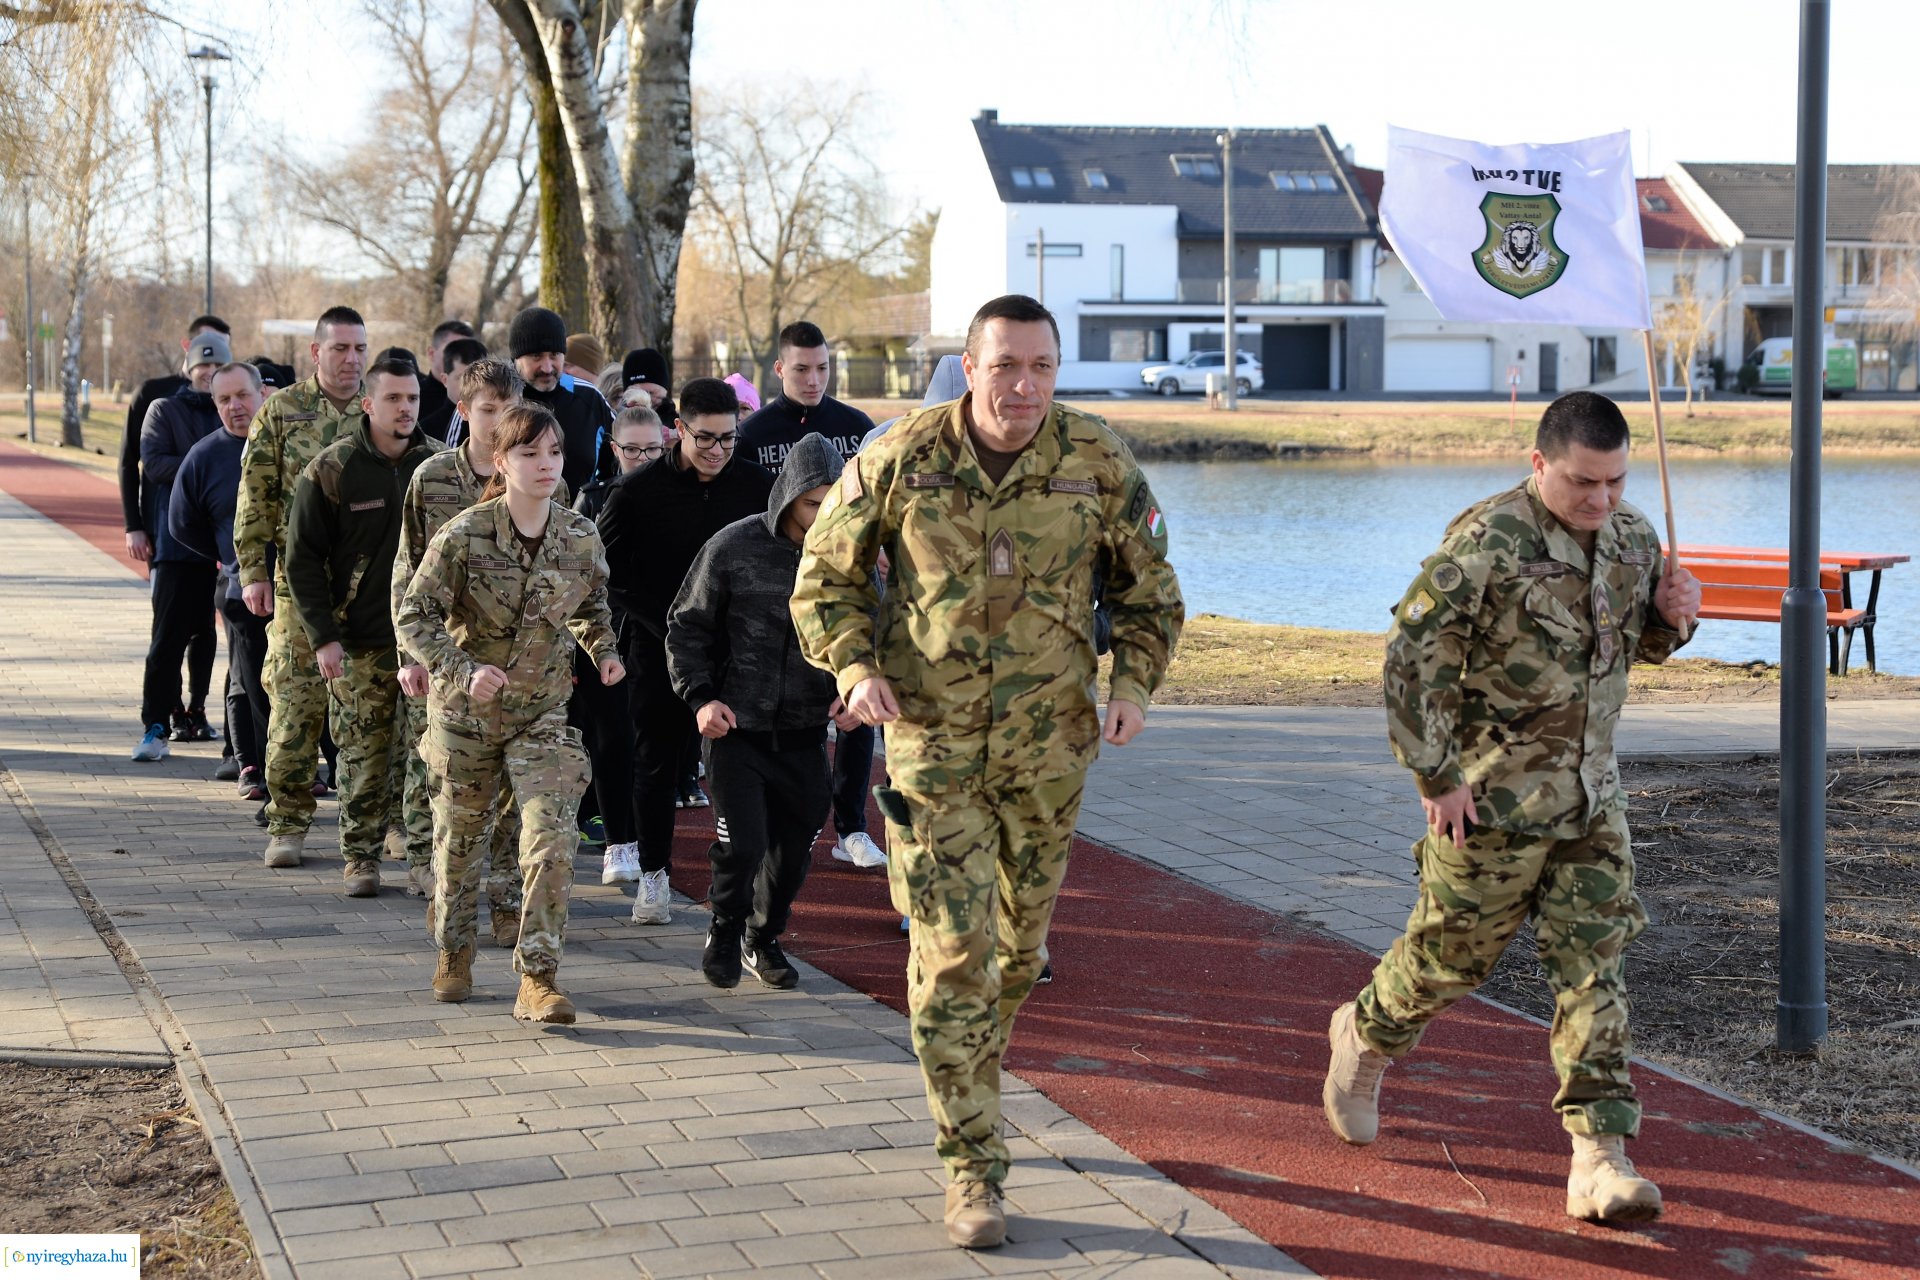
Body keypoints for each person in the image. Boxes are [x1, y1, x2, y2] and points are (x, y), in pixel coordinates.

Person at [792, 294, 1183, 1249]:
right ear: (969, 366)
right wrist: (854, 663)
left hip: (1050, 754)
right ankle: (973, 1164)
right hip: (932, 748)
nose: (1025, 385)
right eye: (1006, 365)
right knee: (955, 954)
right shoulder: (900, 456)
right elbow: (824, 576)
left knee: (1015, 957)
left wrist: (1131, 681)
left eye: (1042, 367)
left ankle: (974, 1072)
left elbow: (1151, 591)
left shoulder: (1095, 460)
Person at [1320, 391, 1702, 1224]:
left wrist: (1675, 620)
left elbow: (1632, 642)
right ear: (1539, 466)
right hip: (1488, 803)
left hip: (1591, 803)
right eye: (1582, 483)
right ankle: (1366, 1035)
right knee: (1448, 961)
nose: (1601, 500)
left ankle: (1600, 1159)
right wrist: (1436, 775)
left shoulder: (1635, 537)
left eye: (1615, 481)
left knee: (1594, 969)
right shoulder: (1487, 542)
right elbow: (1414, 661)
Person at [395, 401, 624, 1024]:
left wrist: (603, 651)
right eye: (529, 454)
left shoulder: (578, 535)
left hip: (541, 713)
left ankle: (538, 978)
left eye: (554, 452)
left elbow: (591, 604)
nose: (546, 464)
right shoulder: (465, 534)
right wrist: (464, 669)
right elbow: (412, 616)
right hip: (465, 717)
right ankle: (453, 951)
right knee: (460, 846)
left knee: (551, 836)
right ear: (501, 461)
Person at [669, 432, 854, 990]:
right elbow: (686, 626)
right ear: (788, 497)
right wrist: (701, 699)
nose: (823, 514)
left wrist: (856, 686)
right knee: (741, 844)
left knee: (792, 854)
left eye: (832, 500)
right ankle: (724, 928)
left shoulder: (852, 555)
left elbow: (872, 632)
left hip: (804, 733)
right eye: (812, 502)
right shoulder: (733, 546)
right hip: (736, 730)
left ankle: (763, 935)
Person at [598, 377, 773, 925]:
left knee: (742, 766)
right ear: (679, 430)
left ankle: (744, 886)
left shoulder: (757, 486)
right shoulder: (637, 492)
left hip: (739, 650)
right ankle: (654, 875)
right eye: (706, 438)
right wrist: (667, 623)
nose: (718, 450)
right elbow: (607, 574)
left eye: (729, 438)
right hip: (661, 646)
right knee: (655, 761)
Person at [393, 358, 540, 930]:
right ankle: (444, 889)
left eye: (511, 409)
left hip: (518, 663)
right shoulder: (431, 479)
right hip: (449, 654)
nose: (502, 420)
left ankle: (506, 900)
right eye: (489, 411)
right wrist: (412, 655)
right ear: (464, 412)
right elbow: (407, 570)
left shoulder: (540, 475)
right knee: (451, 783)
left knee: (512, 789)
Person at [285, 356, 438, 897]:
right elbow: (301, 559)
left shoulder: (439, 467)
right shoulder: (333, 469)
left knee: (428, 757)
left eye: (413, 399)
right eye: (393, 399)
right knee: (362, 756)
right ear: (368, 404)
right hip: (359, 643)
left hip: (426, 646)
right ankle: (361, 859)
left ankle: (424, 860)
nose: (405, 409)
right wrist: (323, 636)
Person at [234, 305, 370, 868]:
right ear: (316, 353)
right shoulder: (284, 411)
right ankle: (287, 822)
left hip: (367, 590)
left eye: (360, 348)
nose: (351, 359)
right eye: (340, 348)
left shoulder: (380, 410)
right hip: (298, 587)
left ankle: (373, 825)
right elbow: (256, 494)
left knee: (368, 716)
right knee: (295, 709)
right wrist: (253, 571)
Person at [572, 406, 664, 886]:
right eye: (632, 449)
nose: (642, 458)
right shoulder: (594, 499)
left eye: (652, 448)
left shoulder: (675, 495)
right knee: (611, 737)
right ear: (614, 450)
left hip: (660, 634)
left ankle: (651, 843)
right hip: (604, 634)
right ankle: (617, 844)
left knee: (654, 744)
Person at [169, 363, 270, 799]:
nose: (235, 407)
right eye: (224, 399)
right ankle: (252, 765)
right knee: (247, 681)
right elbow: (181, 524)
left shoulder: (288, 447)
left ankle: (305, 768)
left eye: (242, 396)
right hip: (239, 589)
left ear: (262, 394)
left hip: (299, 587)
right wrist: (229, 559)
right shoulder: (204, 456)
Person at [131, 330, 232, 760]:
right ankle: (156, 722)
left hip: (223, 547)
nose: (208, 374)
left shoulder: (231, 409)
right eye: (202, 366)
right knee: (168, 638)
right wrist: (207, 462)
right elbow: (154, 463)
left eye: (216, 366)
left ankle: (196, 711)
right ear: (189, 369)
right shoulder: (163, 409)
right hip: (176, 544)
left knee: (206, 636)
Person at [737, 320, 874, 471]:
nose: (814, 381)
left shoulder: (858, 427)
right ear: (779, 369)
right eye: (802, 369)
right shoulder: (750, 435)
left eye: (822, 368)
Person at [507, 306, 613, 493]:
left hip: (578, 520)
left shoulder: (588, 397)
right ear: (516, 358)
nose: (547, 367)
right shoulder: (494, 399)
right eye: (536, 356)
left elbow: (625, 452)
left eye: (554, 355)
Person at [418, 320, 474, 442]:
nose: (460, 357)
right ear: (432, 353)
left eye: (467, 351)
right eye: (451, 349)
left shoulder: (481, 403)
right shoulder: (415, 398)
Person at [437, 337, 489, 448]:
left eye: (478, 378)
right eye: (461, 378)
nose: (470, 386)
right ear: (445, 379)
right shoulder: (425, 430)